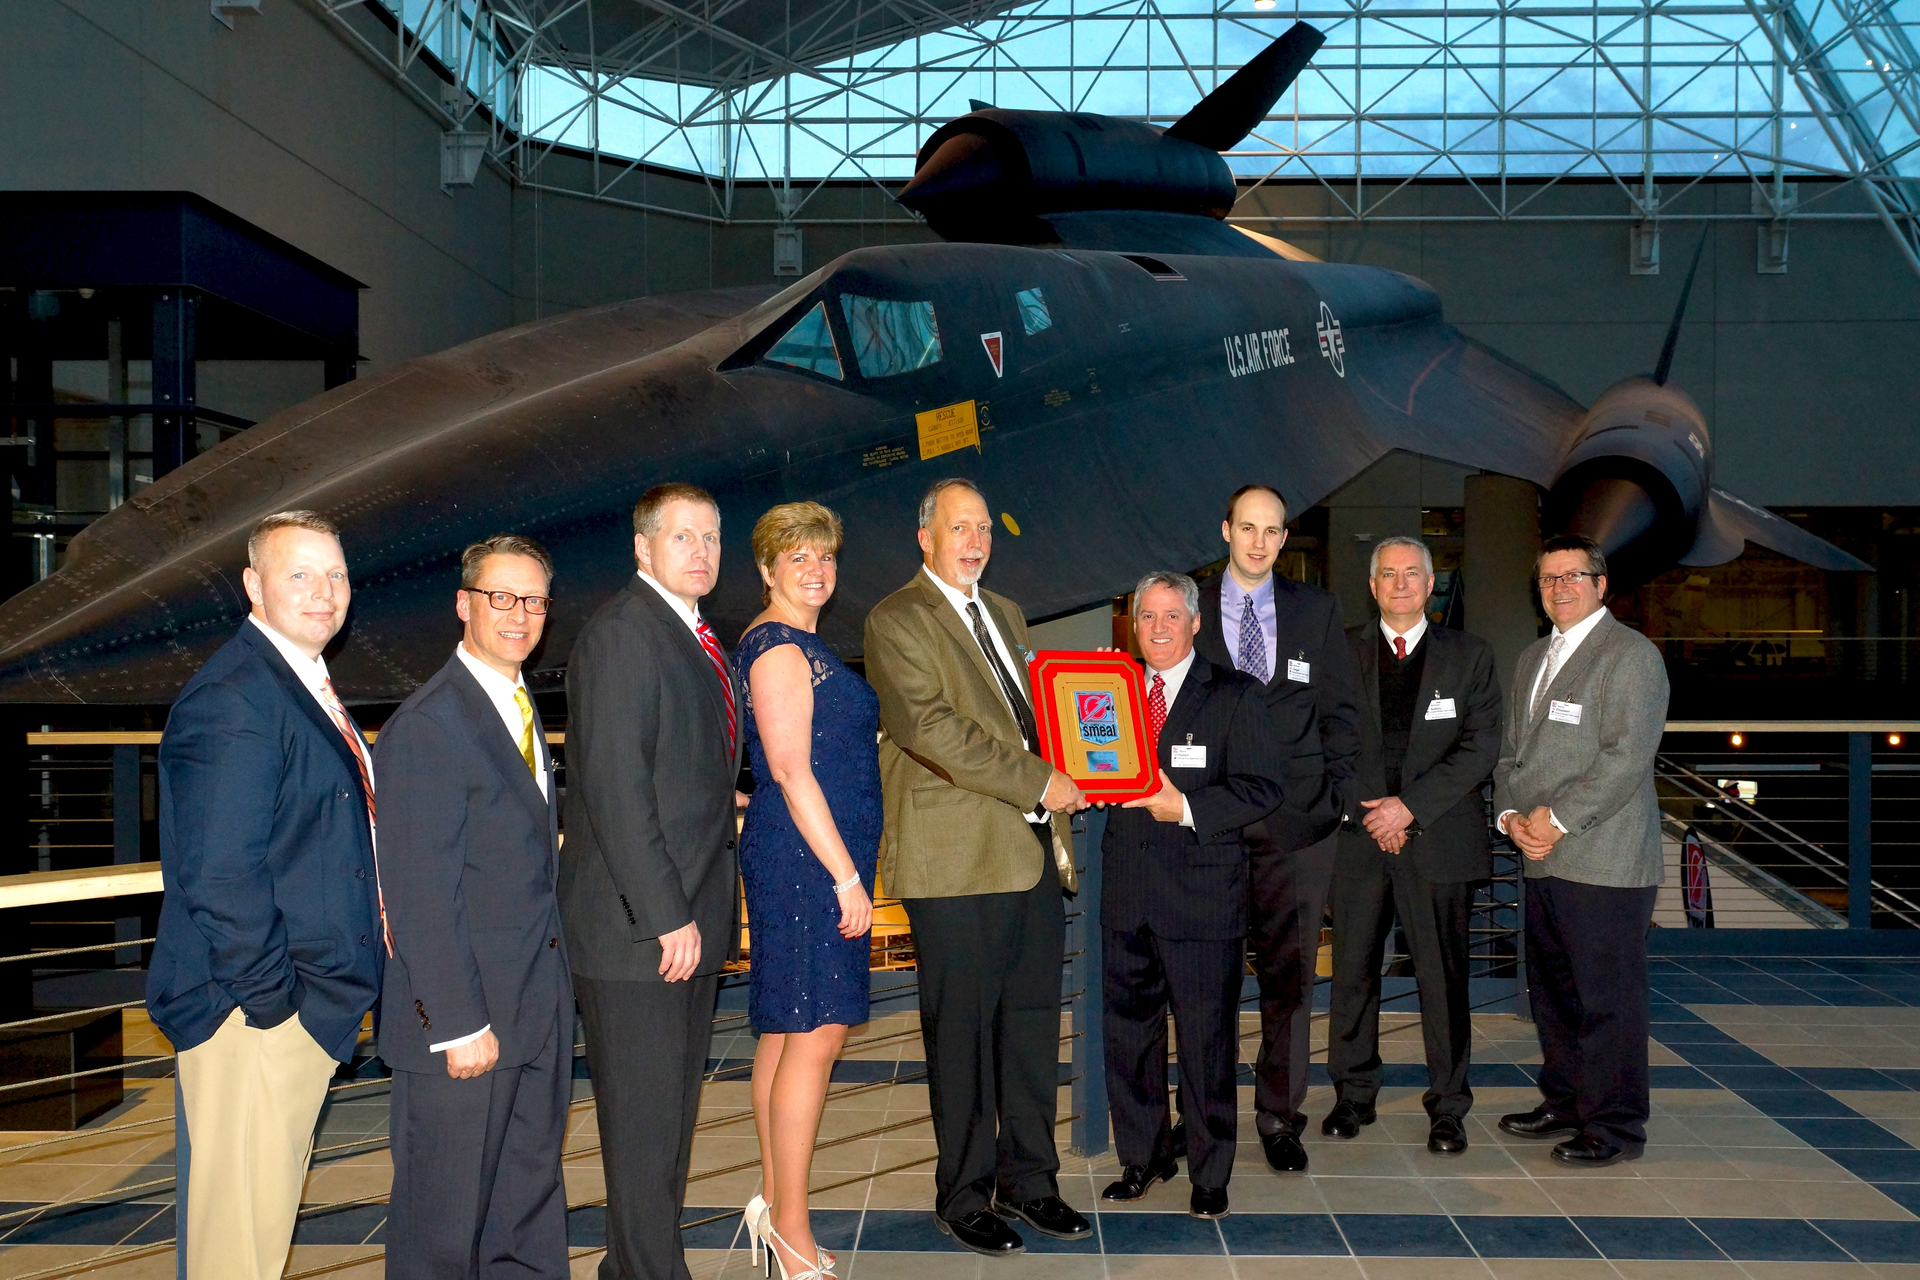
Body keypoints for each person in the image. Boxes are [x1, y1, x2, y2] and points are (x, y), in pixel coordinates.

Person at [147, 510, 384, 1280]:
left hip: (281, 1009)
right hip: (250, 1019)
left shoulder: (295, 682)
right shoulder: (236, 696)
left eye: (336, 575)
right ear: (254, 585)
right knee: (237, 1252)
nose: (324, 592)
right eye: (300, 574)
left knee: (257, 1236)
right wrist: (279, 1009)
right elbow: (220, 876)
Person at [863, 477, 1092, 1258]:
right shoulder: (896, 618)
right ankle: (963, 1195)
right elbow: (930, 729)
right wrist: (1040, 781)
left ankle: (1031, 1182)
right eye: (959, 527)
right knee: (960, 1037)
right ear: (924, 537)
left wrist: (1091, 753)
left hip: (1028, 854)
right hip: (954, 862)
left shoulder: (1007, 614)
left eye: (985, 527)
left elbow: (1031, 719)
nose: (975, 541)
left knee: (1030, 1029)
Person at [375, 535, 573, 1279]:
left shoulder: (514, 703)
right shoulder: (430, 724)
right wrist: (459, 1024)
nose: (519, 615)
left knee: (522, 1220)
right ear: (464, 604)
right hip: (467, 1029)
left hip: (531, 1010)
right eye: (501, 598)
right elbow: (419, 892)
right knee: (442, 1232)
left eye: (534, 601)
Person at [559, 484, 742, 1280]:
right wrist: (667, 913)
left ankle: (634, 1269)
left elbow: (669, 765)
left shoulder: (691, 632)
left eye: (711, 537)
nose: (700, 551)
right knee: (643, 1135)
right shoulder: (623, 634)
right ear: (642, 547)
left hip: (683, 920)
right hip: (642, 934)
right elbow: (615, 788)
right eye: (682, 537)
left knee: (665, 1130)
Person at [1097, 573, 1285, 1221]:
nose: (1157, 628)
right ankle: (1142, 1158)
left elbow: (1263, 789)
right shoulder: (1110, 691)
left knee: (1206, 1044)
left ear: (1196, 623)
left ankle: (1210, 1172)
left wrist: (1185, 808)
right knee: (1129, 1039)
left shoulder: (1234, 694)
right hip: (1126, 895)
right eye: (1146, 616)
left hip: (1203, 901)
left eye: (1171, 615)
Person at [1194, 484, 1361, 1174]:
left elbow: (1342, 711)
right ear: (1225, 530)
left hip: (1299, 827)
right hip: (1210, 824)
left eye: (1272, 531)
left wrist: (1337, 796)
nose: (1258, 542)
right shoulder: (1189, 604)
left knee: (1289, 982)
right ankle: (1203, 1118)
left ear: (1285, 538)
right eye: (1247, 528)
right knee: (1204, 982)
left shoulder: (1316, 610)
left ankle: (1279, 1115)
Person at [734, 503, 880, 1280]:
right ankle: (791, 1232)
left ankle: (775, 1209)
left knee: (789, 1032)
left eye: (824, 555)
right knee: (816, 1034)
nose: (816, 569)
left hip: (808, 854)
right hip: (808, 862)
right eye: (797, 557)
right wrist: (847, 876)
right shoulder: (779, 648)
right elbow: (791, 772)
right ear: (767, 569)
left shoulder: (796, 641)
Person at [1494, 534, 1669, 1168]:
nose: (1559, 587)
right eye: (1549, 578)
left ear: (1601, 584)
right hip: (1541, 855)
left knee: (1607, 1002)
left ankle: (1615, 1127)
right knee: (1556, 997)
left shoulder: (1631, 656)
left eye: (1573, 575)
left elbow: (1626, 758)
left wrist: (1557, 819)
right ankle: (1566, 1102)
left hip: (1604, 859)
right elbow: (1510, 756)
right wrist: (1510, 816)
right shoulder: (1531, 658)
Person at [1323, 536, 1501, 1157]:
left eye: (1412, 574)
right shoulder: (1341, 652)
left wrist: (1410, 808)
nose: (1400, 584)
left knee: (1442, 979)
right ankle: (1353, 1094)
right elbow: (1326, 741)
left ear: (1430, 585)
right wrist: (1372, 812)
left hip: (1439, 840)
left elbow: (1481, 747)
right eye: (1388, 574)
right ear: (1372, 586)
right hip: (1358, 840)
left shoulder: (1470, 656)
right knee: (1352, 974)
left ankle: (1448, 1107)